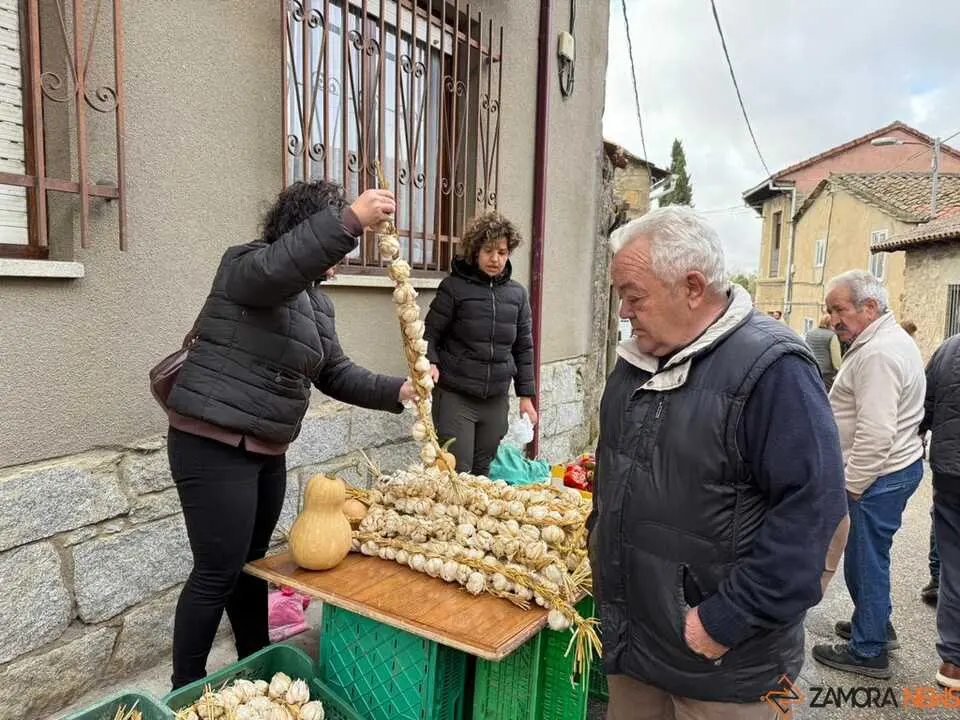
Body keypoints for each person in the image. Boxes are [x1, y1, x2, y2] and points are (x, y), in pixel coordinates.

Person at [589, 206, 846, 719]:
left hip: (725, 670)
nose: (623, 312)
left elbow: (815, 515)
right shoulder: (634, 362)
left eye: (632, 296)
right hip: (635, 647)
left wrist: (726, 619)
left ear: (691, 286)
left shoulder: (774, 368)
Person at [162, 180, 416, 688]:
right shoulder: (247, 265)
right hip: (212, 442)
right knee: (218, 569)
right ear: (307, 229)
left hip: (265, 448)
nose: (343, 256)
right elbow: (281, 268)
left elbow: (336, 372)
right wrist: (350, 220)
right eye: (339, 236)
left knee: (252, 565)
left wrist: (402, 390)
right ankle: (184, 686)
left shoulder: (317, 304)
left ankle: (256, 662)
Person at [813, 270, 926, 680]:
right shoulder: (885, 341)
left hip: (877, 475)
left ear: (870, 307)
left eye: (839, 310)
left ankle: (868, 650)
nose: (832, 319)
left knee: (864, 561)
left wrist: (853, 485)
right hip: (891, 469)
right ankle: (876, 625)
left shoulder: (878, 353)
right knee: (871, 558)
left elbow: (877, 432)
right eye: (830, 311)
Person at [423, 211, 537, 476]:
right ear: (475, 251)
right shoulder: (453, 288)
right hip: (456, 395)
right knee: (456, 470)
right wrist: (431, 362)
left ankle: (473, 520)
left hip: (495, 398)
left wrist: (526, 396)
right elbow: (429, 334)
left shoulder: (517, 295)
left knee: (483, 471)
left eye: (502, 252)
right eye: (488, 251)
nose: (495, 259)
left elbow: (523, 347)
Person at [920, 333, 960, 688]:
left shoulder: (949, 347)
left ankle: (953, 663)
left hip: (951, 473)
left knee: (954, 564)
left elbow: (925, 408)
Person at [900, 319, 941, 604]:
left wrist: (920, 433)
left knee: (945, 518)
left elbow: (928, 399)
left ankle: (939, 579)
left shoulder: (949, 349)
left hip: (951, 461)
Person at [805, 313, 843, 391]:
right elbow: (836, 359)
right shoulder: (832, 335)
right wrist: (840, 371)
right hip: (826, 374)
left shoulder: (810, 333)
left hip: (810, 370)